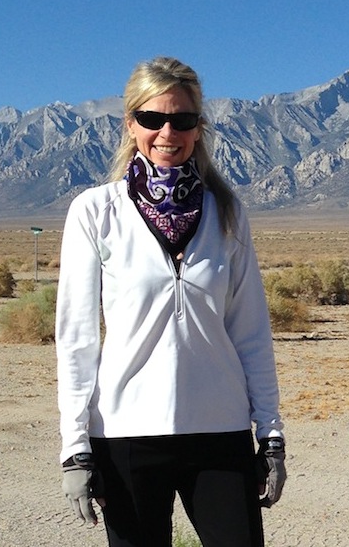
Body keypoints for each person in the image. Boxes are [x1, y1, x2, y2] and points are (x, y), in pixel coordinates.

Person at [56, 56, 286, 547]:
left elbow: (251, 333)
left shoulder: (226, 212)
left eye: (182, 120)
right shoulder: (95, 212)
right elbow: (76, 340)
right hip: (125, 435)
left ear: (198, 128)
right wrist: (75, 448)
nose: (167, 132)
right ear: (130, 123)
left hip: (220, 433)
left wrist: (270, 434)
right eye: (152, 118)